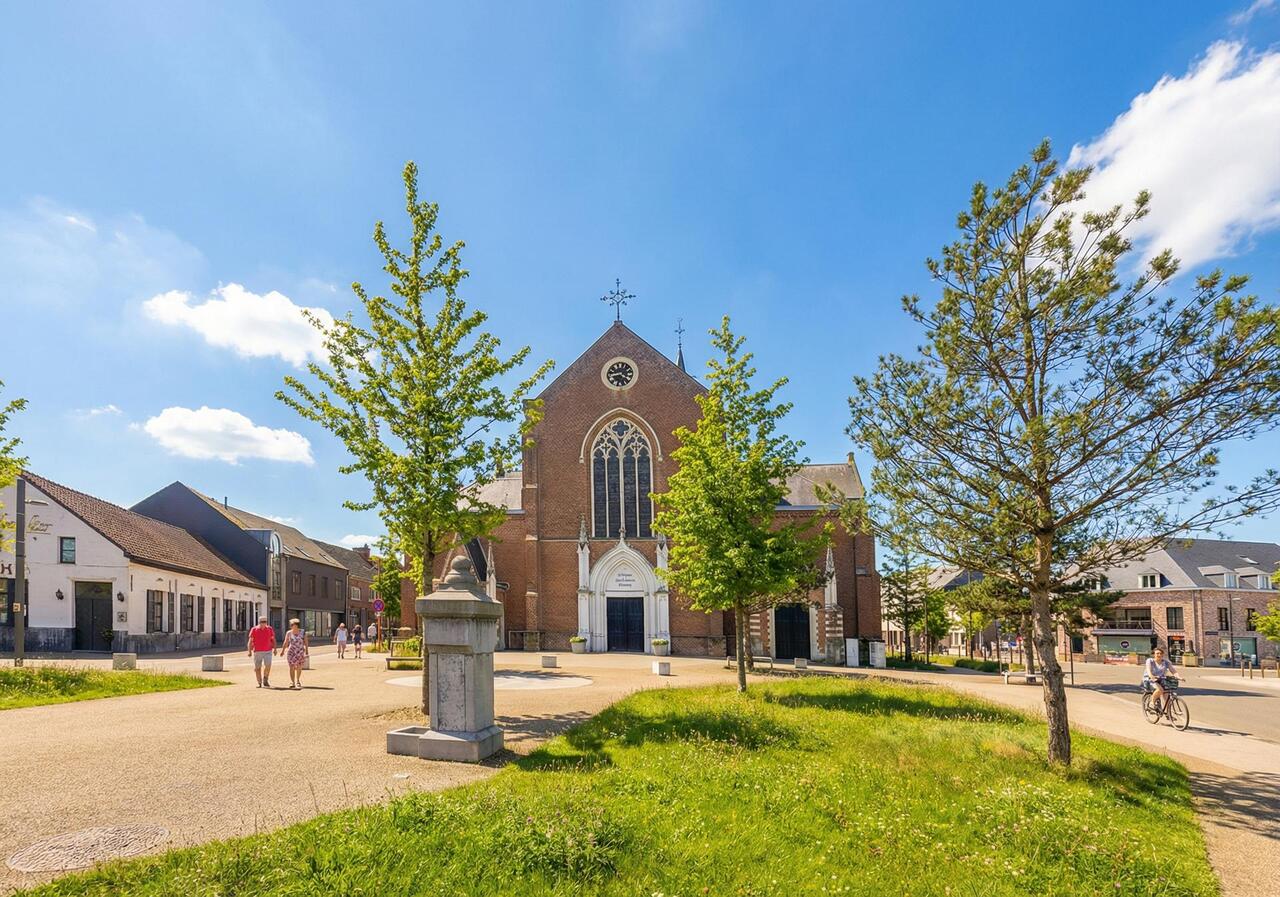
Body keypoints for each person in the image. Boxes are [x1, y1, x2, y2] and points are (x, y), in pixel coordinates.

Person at [1143, 646, 1177, 711]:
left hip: (1160, 679)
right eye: (1157, 653)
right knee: (1160, 690)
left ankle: (1168, 713)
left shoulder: (1166, 662)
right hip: (1150, 679)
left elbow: (1173, 670)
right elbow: (1148, 669)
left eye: (1161, 653)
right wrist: (1151, 676)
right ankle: (1151, 703)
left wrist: (1178, 677)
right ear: (1154, 654)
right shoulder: (1150, 661)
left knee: (1166, 693)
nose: (1159, 655)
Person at [279, 618, 309, 689]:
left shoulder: (302, 632)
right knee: (291, 667)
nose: (292, 626)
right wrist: (283, 651)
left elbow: (306, 642)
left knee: (299, 667)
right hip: (291, 652)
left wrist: (307, 650)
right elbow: (286, 642)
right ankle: (292, 682)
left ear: (297, 625)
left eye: (294, 625)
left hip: (300, 652)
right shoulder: (289, 633)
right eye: (291, 625)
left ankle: (298, 680)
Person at [247, 616, 276, 688]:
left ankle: (265, 679)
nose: (263, 623)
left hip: (268, 650)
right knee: (257, 668)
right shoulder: (254, 629)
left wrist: (275, 649)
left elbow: (273, 639)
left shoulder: (269, 629)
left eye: (265, 622)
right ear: (259, 622)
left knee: (268, 665)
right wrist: (249, 651)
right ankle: (259, 682)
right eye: (262, 622)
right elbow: (250, 641)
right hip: (257, 651)